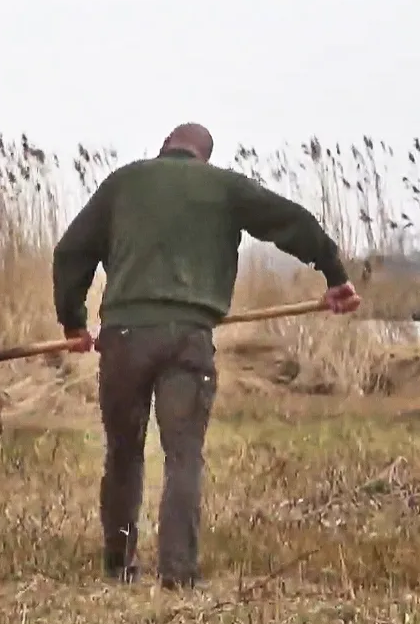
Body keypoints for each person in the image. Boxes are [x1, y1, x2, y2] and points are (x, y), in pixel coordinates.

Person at [51, 122, 361, 590]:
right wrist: (334, 274)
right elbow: (291, 221)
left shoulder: (124, 182)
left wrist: (73, 322)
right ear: (204, 157)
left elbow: (71, 251)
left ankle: (119, 566)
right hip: (189, 339)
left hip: (125, 336)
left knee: (123, 453)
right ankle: (178, 574)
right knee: (184, 457)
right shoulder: (224, 187)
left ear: (164, 149)